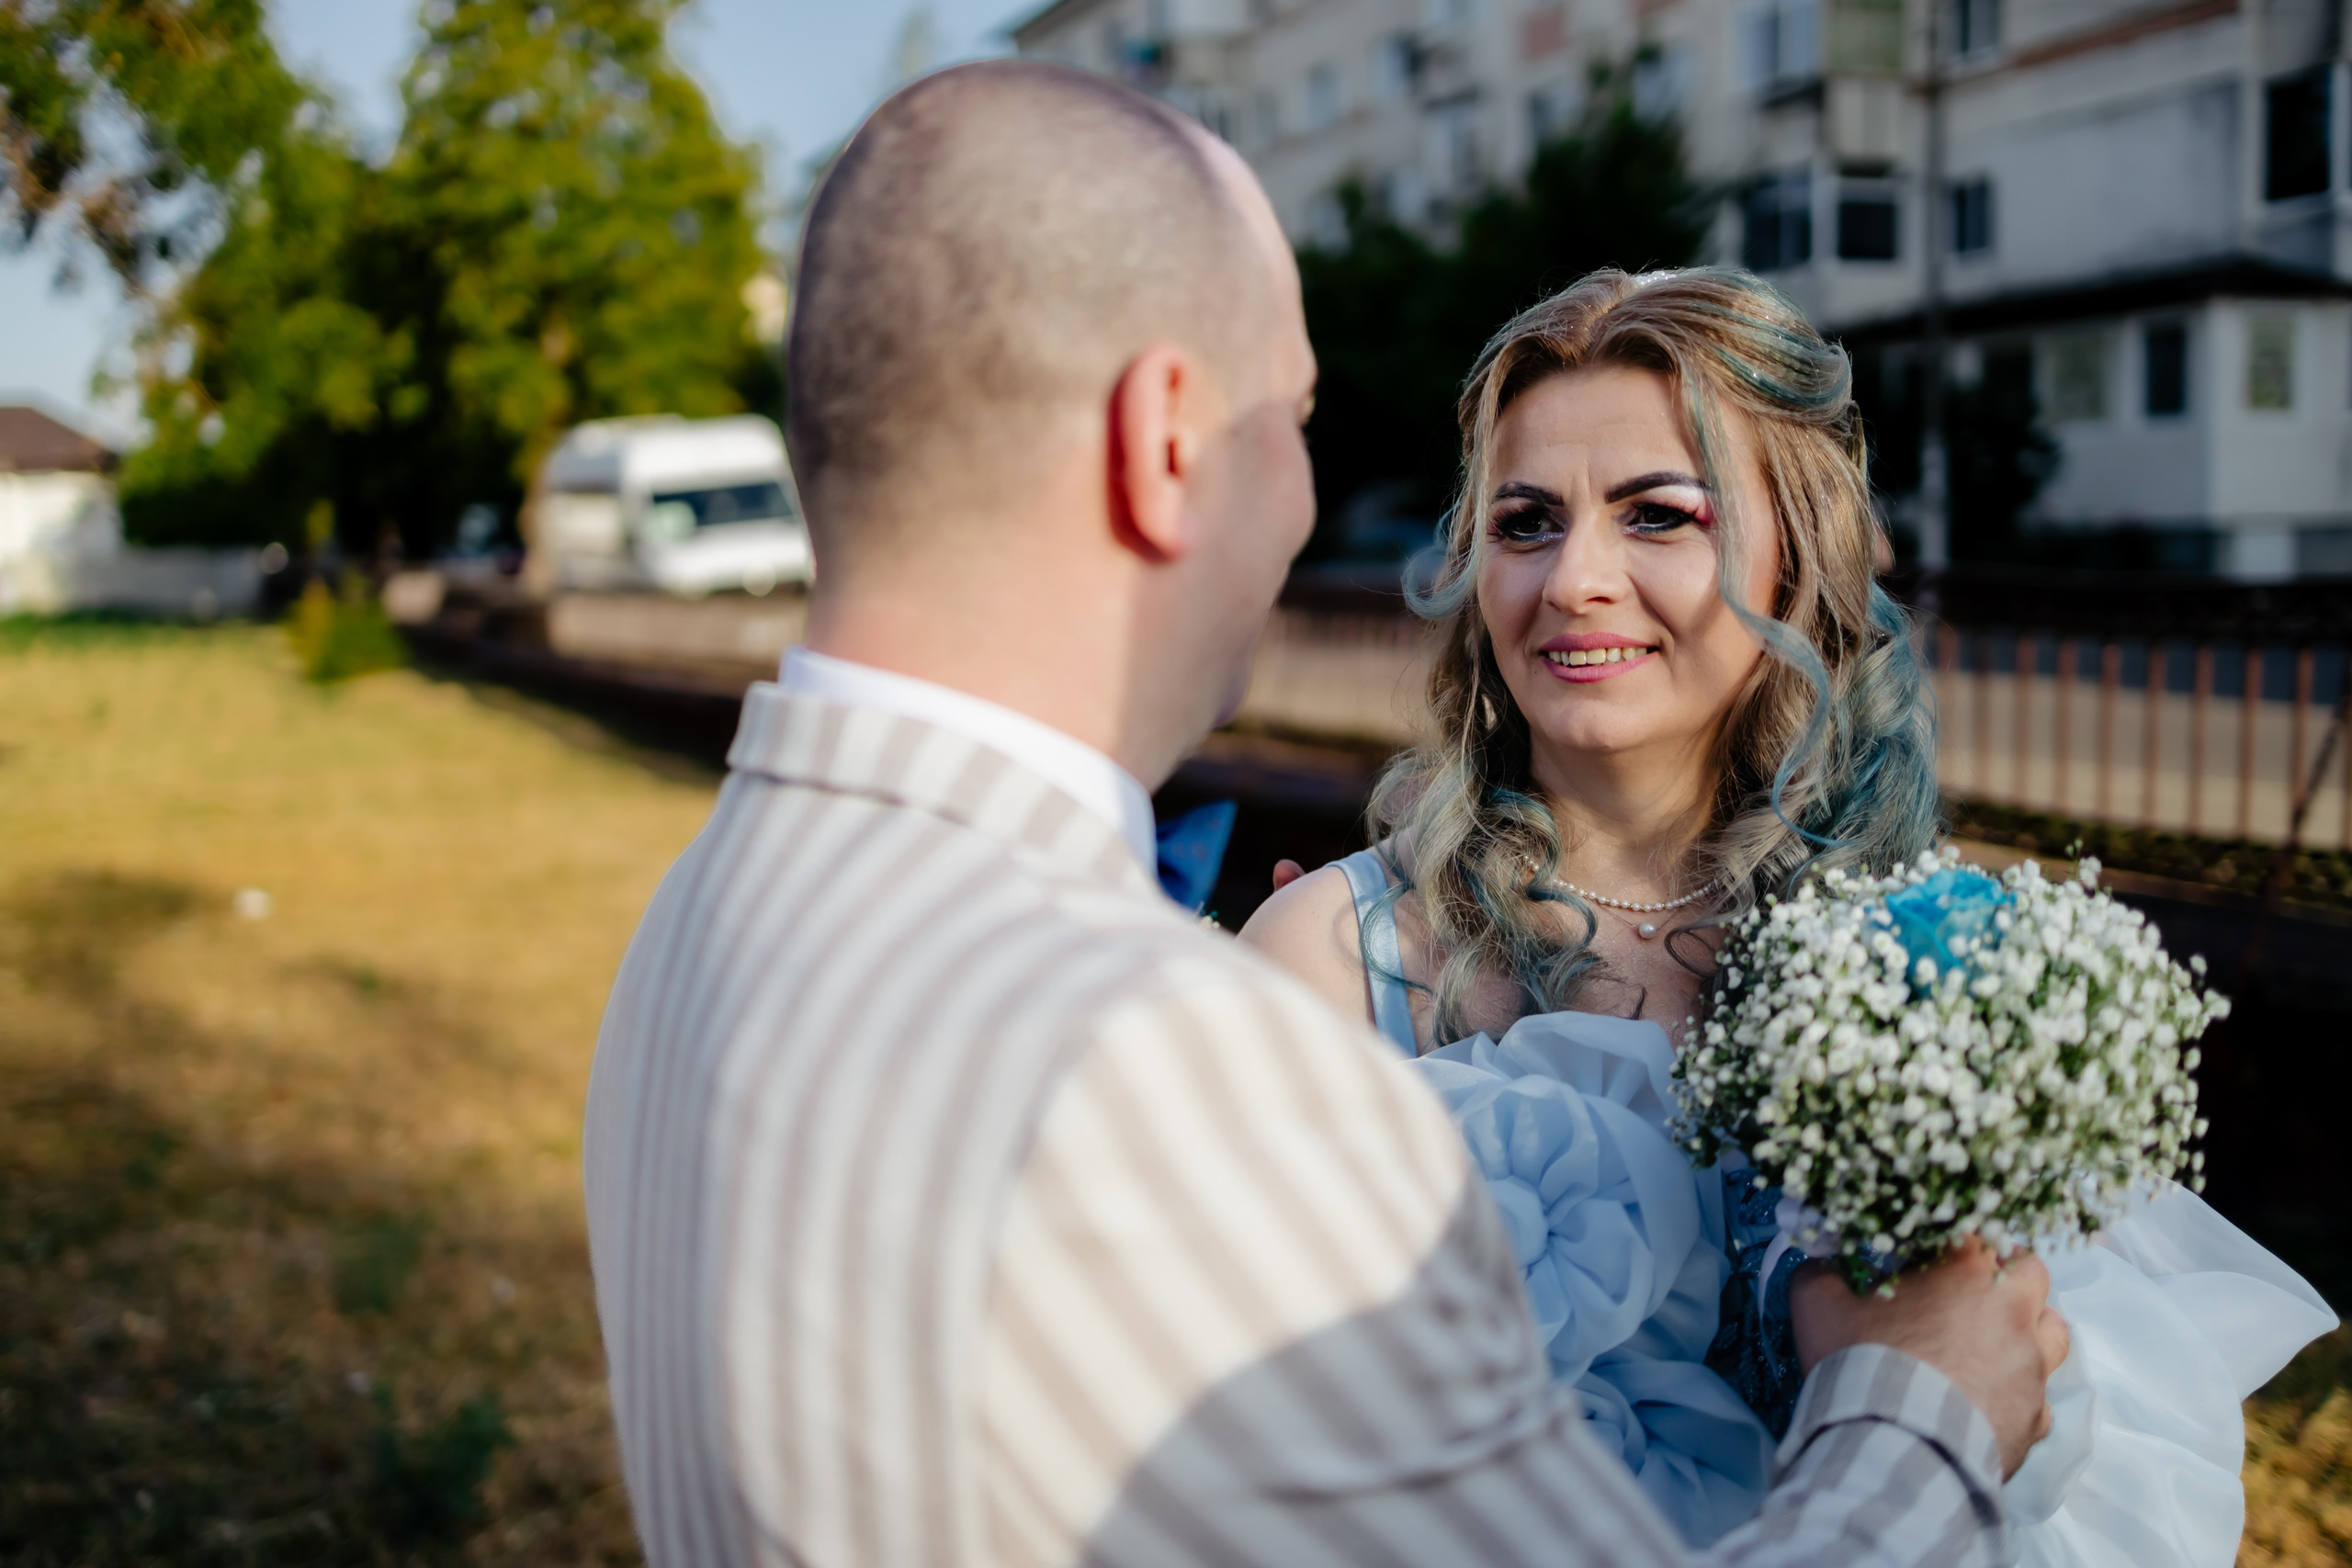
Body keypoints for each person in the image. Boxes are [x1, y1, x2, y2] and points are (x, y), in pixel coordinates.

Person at [582, 62, 2067, 1568]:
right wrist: (1927, 1409)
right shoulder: (1185, 1055)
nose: (1570, 579)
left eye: (1657, 513)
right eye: (1291, 421)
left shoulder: (707, 916)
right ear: (1167, 442)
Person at [1239, 268, 2335, 1564]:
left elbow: (2043, 1399)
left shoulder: (1926, 959)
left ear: (1795, 554)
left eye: (1659, 515)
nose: (1576, 577)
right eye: (1525, 523)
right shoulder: (1333, 960)